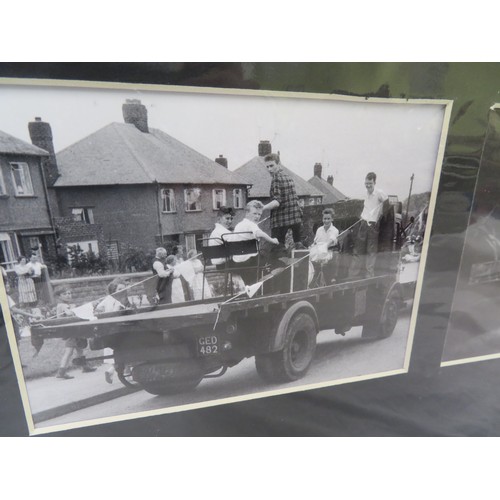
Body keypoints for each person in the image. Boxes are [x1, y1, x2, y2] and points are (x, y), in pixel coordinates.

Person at [349, 172, 388, 278]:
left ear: (374, 182)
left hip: (373, 225)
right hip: (363, 224)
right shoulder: (365, 193)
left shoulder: (380, 193)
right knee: (358, 249)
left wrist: (380, 216)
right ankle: (353, 275)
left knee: (371, 251)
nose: (368, 185)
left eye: (370, 183)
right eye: (366, 183)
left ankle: (369, 275)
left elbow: (387, 205)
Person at [232, 200, 279, 285]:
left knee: (262, 248)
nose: (257, 217)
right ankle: (277, 271)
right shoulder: (250, 224)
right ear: (247, 213)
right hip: (249, 262)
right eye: (254, 214)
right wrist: (273, 240)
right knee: (272, 245)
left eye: (259, 214)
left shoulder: (239, 225)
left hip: (238, 262)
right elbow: (259, 233)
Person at [261, 153, 303, 247]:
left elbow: (277, 202)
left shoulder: (276, 178)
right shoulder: (288, 176)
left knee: (276, 249)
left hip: (281, 220)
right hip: (296, 219)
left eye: (272, 166)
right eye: (267, 167)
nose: (269, 169)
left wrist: (262, 208)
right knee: (298, 247)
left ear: (279, 164)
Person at [54, 286, 97, 379]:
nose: (68, 295)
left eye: (69, 293)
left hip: (73, 329)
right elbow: (69, 313)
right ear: (59, 296)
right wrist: (76, 309)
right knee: (69, 351)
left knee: (79, 348)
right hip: (69, 330)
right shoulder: (62, 305)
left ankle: (85, 366)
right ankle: (61, 371)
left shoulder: (67, 304)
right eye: (65, 294)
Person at [94, 278, 130, 384]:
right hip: (118, 327)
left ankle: (113, 370)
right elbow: (121, 311)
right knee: (124, 348)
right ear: (114, 290)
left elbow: (98, 309)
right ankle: (124, 372)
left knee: (115, 351)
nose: (123, 290)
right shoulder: (119, 300)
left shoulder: (108, 299)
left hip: (109, 328)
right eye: (120, 288)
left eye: (124, 288)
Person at [309, 208, 340, 285]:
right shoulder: (319, 229)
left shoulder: (335, 230)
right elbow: (315, 242)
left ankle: (332, 279)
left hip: (330, 251)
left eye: (328, 219)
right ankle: (313, 282)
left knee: (329, 261)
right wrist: (311, 248)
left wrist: (323, 248)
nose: (326, 221)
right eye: (324, 219)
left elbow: (331, 241)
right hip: (320, 252)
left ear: (332, 219)